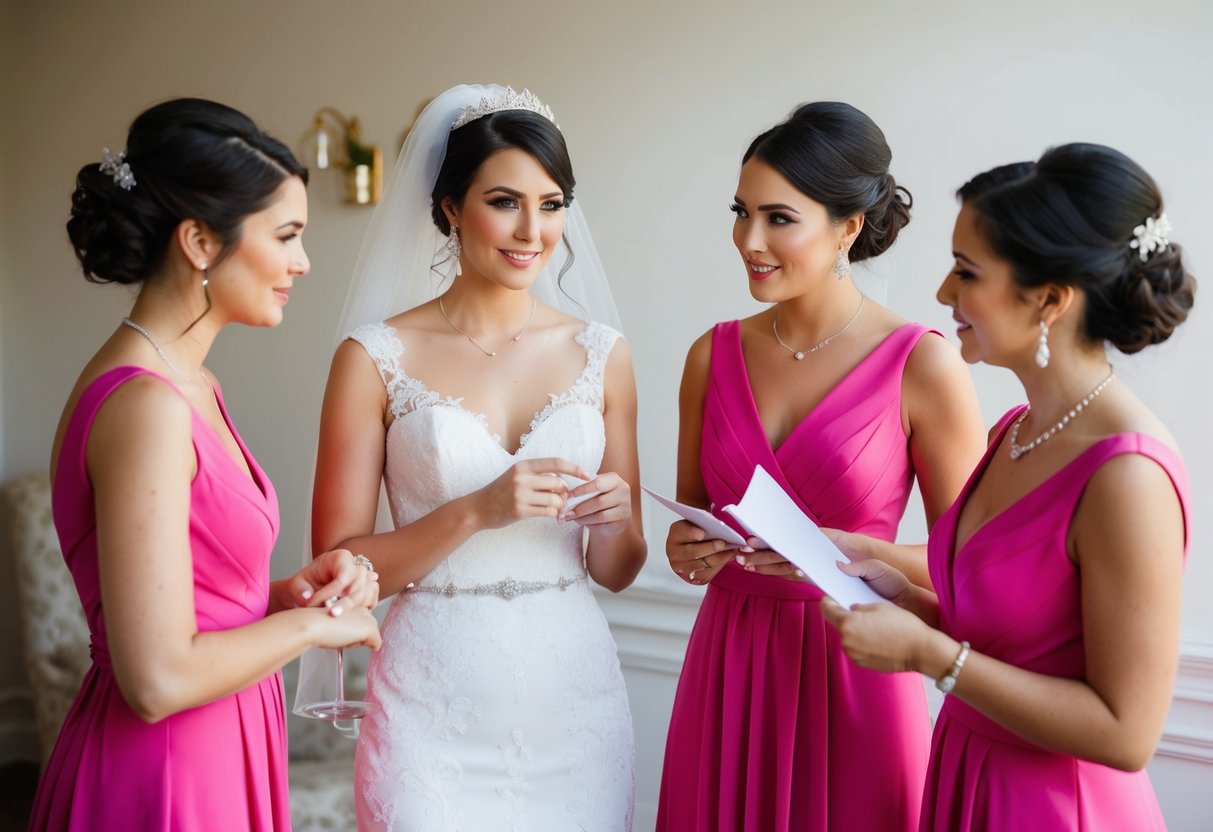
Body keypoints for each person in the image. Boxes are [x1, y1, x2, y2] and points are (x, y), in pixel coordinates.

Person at [30, 98, 382, 832]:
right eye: (286, 235)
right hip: (162, 766)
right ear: (198, 241)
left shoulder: (194, 387)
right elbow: (156, 679)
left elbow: (194, 596)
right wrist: (313, 633)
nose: (302, 262)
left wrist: (287, 597)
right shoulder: (145, 405)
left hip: (224, 737)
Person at [823, 143, 1194, 831]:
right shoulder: (1013, 432)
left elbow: (1124, 732)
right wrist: (914, 604)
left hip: (1054, 809)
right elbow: (1014, 641)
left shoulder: (1127, 476)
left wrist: (929, 655)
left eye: (965, 272)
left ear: (1049, 300)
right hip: (965, 775)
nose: (941, 294)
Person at [306, 84, 645, 831]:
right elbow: (335, 566)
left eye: (552, 204)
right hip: (431, 708)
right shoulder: (373, 357)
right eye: (505, 201)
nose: (533, 230)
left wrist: (618, 520)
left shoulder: (601, 355)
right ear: (450, 206)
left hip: (575, 700)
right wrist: (474, 511)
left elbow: (617, 570)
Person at [656, 102, 986, 832]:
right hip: (729, 661)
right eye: (740, 213)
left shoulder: (921, 364)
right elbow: (688, 525)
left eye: (779, 218)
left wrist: (855, 552)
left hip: (856, 662)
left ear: (847, 227)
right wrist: (688, 551)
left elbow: (967, 566)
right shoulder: (710, 354)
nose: (749, 240)